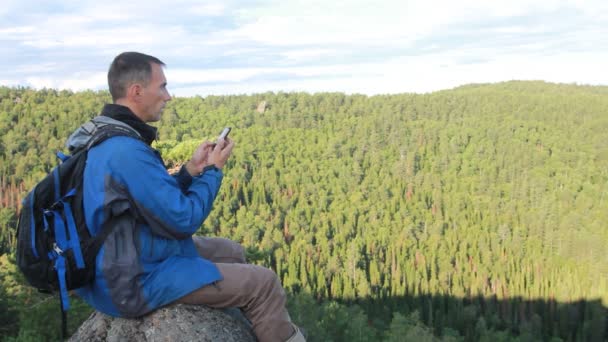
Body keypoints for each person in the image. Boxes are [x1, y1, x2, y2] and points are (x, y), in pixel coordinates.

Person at [73, 51, 305, 342]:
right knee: (265, 283)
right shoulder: (126, 150)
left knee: (231, 252)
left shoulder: (107, 136)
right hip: (133, 281)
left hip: (122, 259)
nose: (168, 96)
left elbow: (147, 197)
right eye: (162, 87)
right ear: (136, 91)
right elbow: (183, 219)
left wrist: (190, 171)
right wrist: (212, 172)